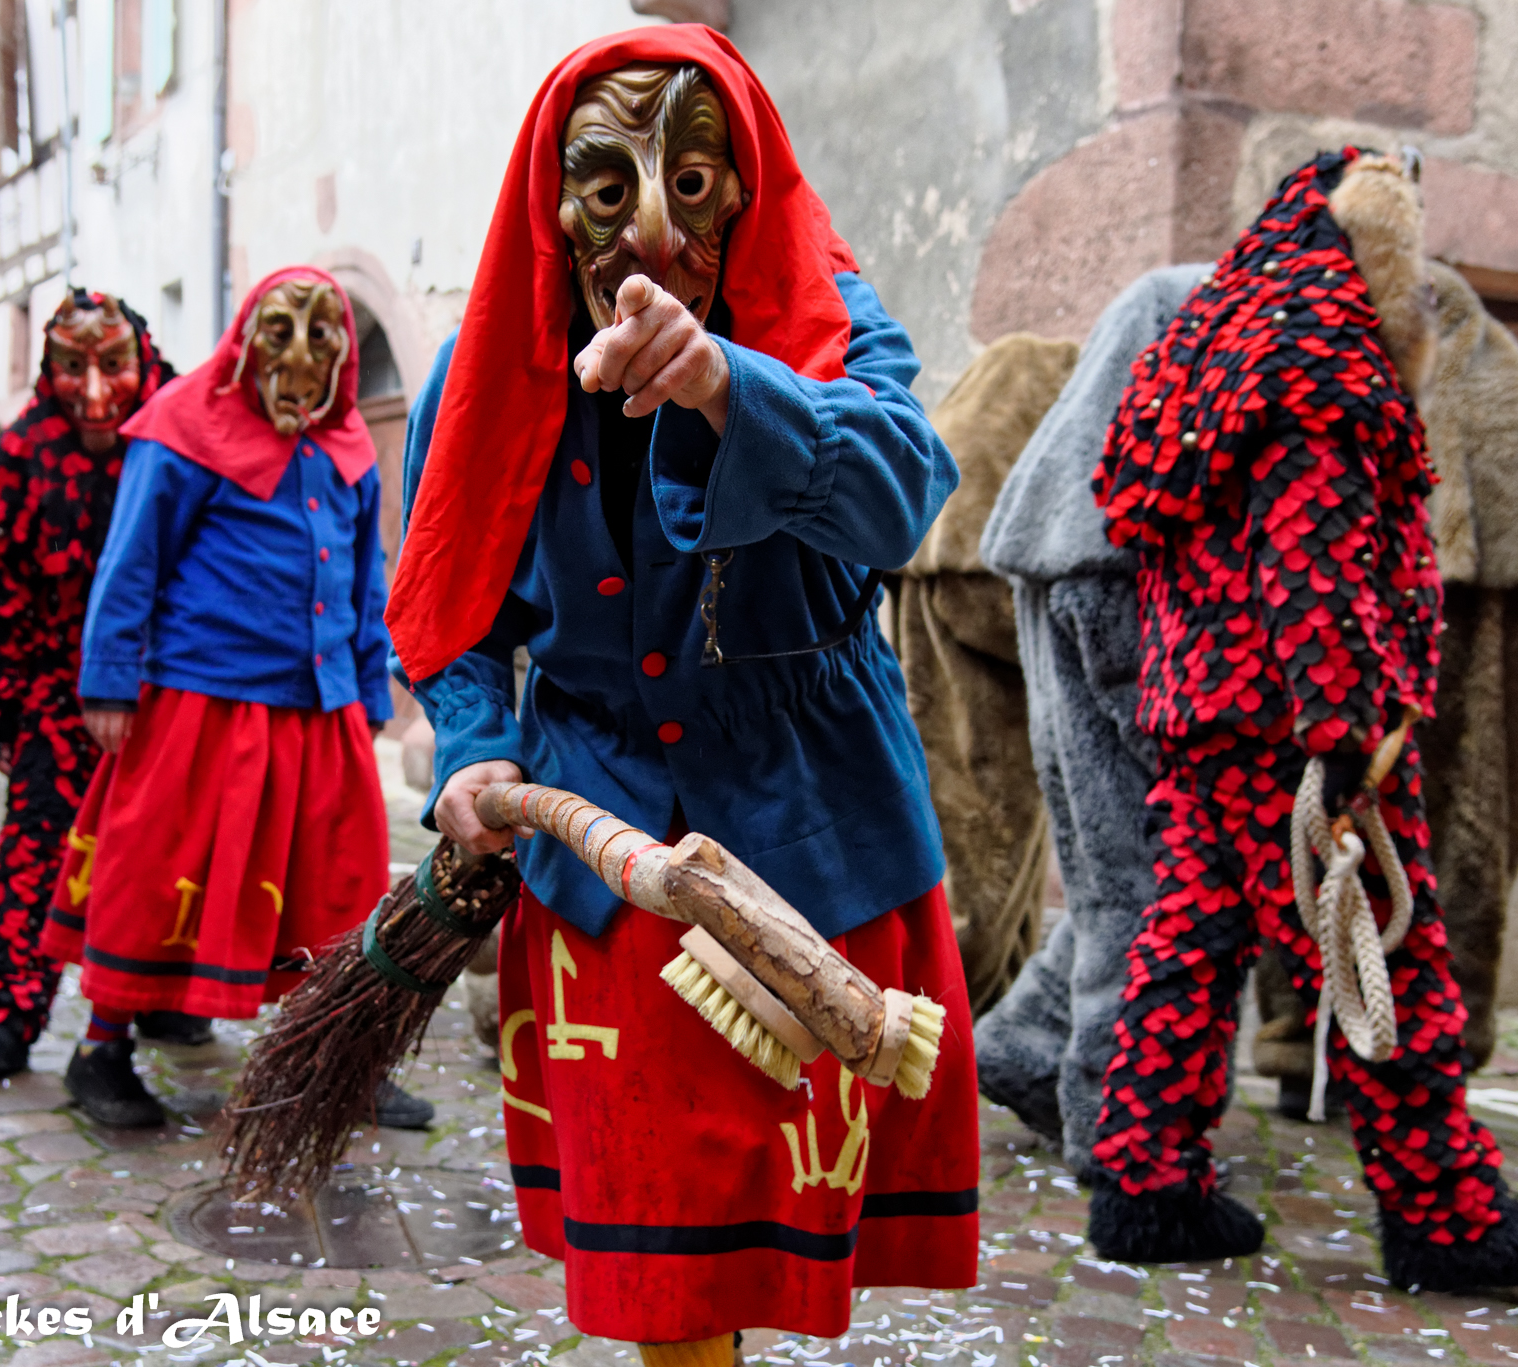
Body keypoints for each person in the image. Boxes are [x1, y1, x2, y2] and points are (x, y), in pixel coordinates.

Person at [389, 27, 975, 1359]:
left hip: (817, 844)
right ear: (555, 202)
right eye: (610, 192)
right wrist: (475, 745)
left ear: (744, 184)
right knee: (665, 1277)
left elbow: (900, 493)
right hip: (610, 863)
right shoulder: (487, 370)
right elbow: (448, 591)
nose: (650, 234)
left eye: (692, 186)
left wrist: (726, 384)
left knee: (771, 1232)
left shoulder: (829, 318)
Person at [1083, 147, 1518, 1291]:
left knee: (1188, 940)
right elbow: (1307, 555)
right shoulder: (1318, 363)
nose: (1409, 291)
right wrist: (1344, 728)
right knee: (1388, 953)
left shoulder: (1207, 355)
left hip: (1199, 713)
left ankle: (1144, 1183)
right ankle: (1443, 1208)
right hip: (1297, 726)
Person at [1253, 260, 1518, 1107]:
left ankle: (1304, 1059)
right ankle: (1429, 1076)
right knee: (1451, 885)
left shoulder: (1322, 413)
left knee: (1320, 865)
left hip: (1330, 712)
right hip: (1474, 741)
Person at [37, 266, 412, 1129]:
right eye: (284, 334)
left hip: (321, 710)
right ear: (248, 336)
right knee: (157, 869)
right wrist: (109, 681)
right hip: (201, 705)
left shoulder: (350, 442)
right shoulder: (183, 424)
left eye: (324, 337)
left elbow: (365, 577)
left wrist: (367, 683)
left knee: (336, 883)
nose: (303, 357)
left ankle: (336, 1056)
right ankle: (101, 1050)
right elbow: (131, 558)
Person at [970, 265, 1203, 1181]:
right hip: (1101, 579)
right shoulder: (1185, 312)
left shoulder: (1170, 304)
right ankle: (1116, 1131)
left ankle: (1027, 1039)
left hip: (1081, 568)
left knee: (1124, 874)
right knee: (1133, 883)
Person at [0, 290, 179, 1083]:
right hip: (57, 690)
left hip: (170, 691)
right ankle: (3, 1014)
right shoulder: (21, 451)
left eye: (112, 365)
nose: (95, 389)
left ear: (140, 361)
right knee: (38, 850)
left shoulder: (183, 433)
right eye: (72, 366)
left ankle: (163, 994)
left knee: (168, 850)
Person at [897, 334, 1076, 1013]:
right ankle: (943, 1006)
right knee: (991, 817)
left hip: (936, 543)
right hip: (987, 559)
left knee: (959, 798)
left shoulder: (1021, 365)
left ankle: (972, 1003)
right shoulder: (1078, 369)